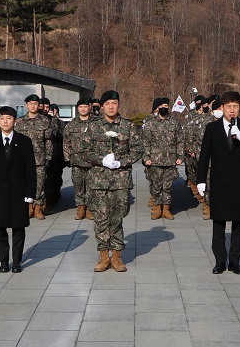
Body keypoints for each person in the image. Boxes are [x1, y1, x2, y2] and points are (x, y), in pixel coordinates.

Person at [197, 90, 240, 274]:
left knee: (238, 223)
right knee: (218, 223)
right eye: (229, 107)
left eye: (235, 106)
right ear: (223, 108)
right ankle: (220, 261)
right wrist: (201, 180)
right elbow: (204, 156)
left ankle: (235, 261)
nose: (232, 110)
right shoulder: (212, 128)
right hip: (219, 181)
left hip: (239, 182)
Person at [85, 90, 142, 273]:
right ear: (101, 106)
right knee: (101, 219)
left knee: (117, 218)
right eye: (108, 103)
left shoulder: (128, 126)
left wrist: (121, 162)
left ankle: (117, 256)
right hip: (99, 181)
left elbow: (137, 150)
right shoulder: (93, 127)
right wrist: (101, 160)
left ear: (118, 105)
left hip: (120, 181)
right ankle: (103, 256)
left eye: (114, 103)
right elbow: (84, 151)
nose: (111, 106)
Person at [0, 106, 37, 273]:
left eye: (9, 118)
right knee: (0, 228)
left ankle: (17, 261)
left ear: (15, 120)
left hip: (18, 192)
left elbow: (30, 170)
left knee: (18, 228)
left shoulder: (24, 141)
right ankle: (4, 261)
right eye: (2, 118)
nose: (5, 121)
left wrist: (30, 193)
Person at [141, 97, 184, 219]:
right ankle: (157, 207)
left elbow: (180, 140)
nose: (164, 108)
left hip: (170, 160)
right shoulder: (151, 123)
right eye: (162, 106)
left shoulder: (175, 122)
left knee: (167, 186)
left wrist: (180, 156)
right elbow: (145, 142)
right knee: (156, 185)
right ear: (158, 108)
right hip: (154, 160)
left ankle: (166, 208)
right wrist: (146, 157)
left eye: (166, 106)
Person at [15, 94, 53, 220]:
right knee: (24, 183)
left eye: (35, 104)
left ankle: (38, 208)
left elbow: (48, 141)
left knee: (40, 184)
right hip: (23, 160)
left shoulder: (44, 121)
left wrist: (48, 156)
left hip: (39, 158)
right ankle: (28, 207)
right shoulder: (20, 122)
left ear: (39, 105)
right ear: (26, 105)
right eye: (30, 103)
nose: (33, 106)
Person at [63, 97, 94, 220]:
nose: (83, 109)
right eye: (81, 107)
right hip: (77, 161)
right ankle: (81, 208)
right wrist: (67, 157)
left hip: (92, 162)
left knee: (91, 186)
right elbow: (66, 142)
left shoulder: (96, 123)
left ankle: (90, 208)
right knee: (78, 185)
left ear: (90, 107)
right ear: (77, 109)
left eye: (85, 107)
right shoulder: (72, 124)